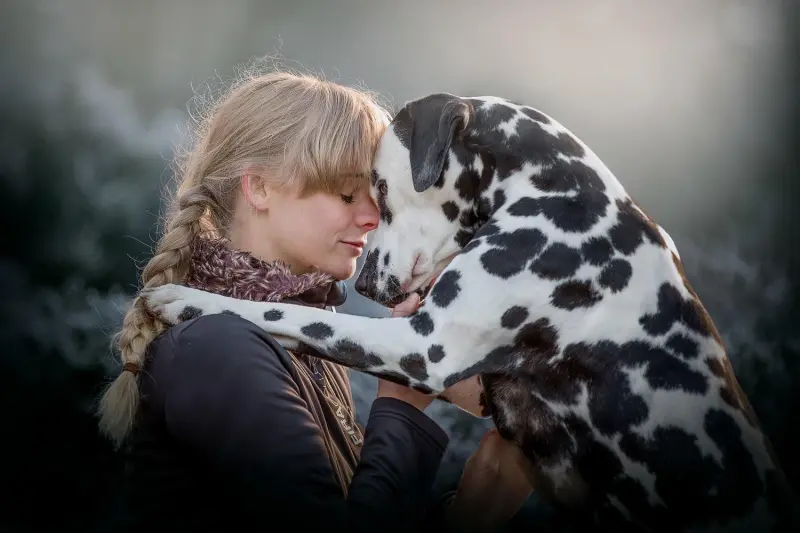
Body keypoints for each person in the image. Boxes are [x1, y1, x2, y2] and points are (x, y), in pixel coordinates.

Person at [96, 64, 531, 532]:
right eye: (347, 194)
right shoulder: (218, 349)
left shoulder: (294, 341)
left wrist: (472, 510)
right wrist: (403, 400)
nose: (371, 218)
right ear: (259, 187)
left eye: (377, 198)